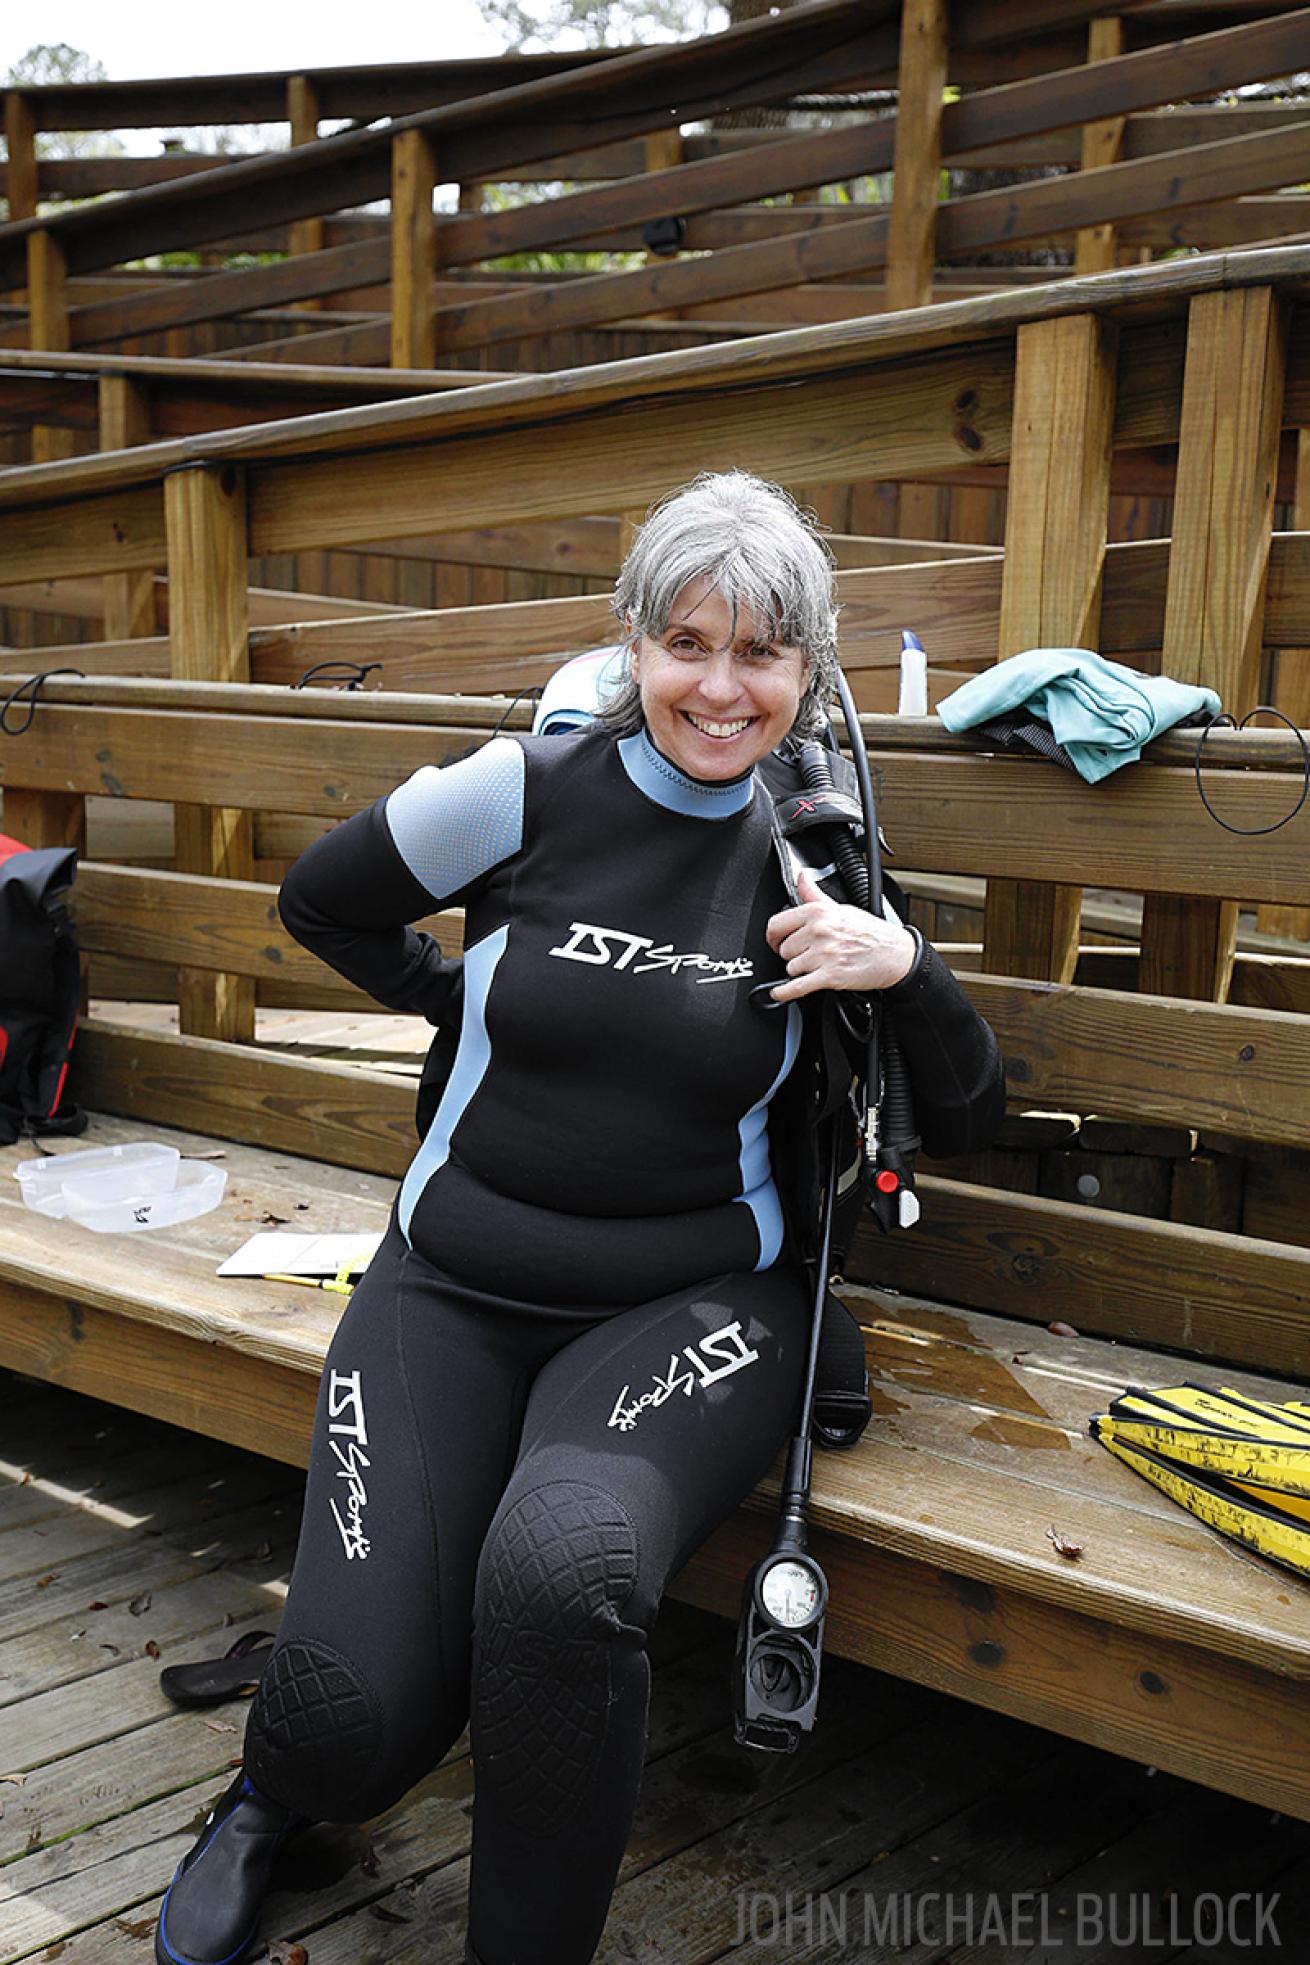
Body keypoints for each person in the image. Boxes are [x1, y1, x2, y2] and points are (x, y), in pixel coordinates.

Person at [154, 471, 1004, 1965]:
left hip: (693, 1303)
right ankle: (266, 1796)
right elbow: (321, 899)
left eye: (761, 653)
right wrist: (451, 996)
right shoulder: (521, 787)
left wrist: (903, 967)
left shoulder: (819, 858)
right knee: (350, 1717)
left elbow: (969, 1104)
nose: (721, 687)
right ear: (631, 647)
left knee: (561, 1574)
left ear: (809, 671)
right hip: (452, 1287)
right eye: (687, 642)